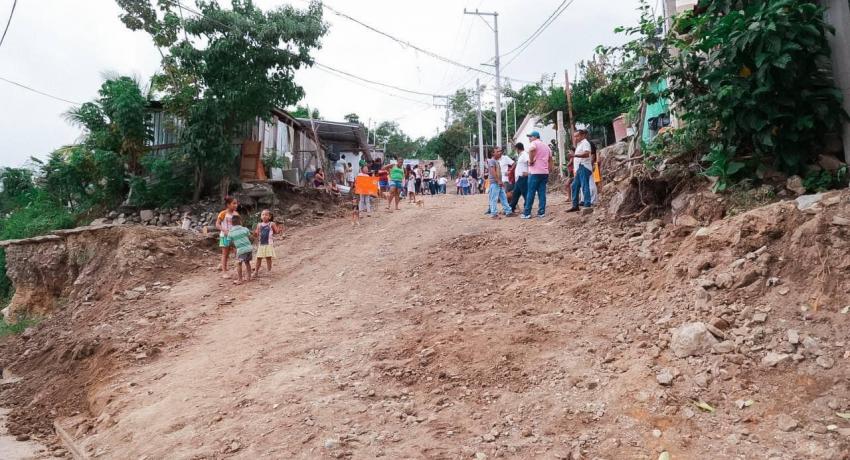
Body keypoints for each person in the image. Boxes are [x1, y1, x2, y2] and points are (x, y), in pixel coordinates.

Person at [522, 130, 552, 219]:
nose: (529, 138)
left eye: (530, 137)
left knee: (531, 192)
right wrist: (549, 170)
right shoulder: (546, 146)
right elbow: (550, 159)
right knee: (542, 193)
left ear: (535, 137)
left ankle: (527, 213)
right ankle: (541, 213)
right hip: (544, 172)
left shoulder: (534, 143)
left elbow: (531, 150)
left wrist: (531, 161)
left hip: (535, 172)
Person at [568, 129, 594, 212]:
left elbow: (586, 154)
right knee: (574, 186)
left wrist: (574, 155)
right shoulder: (580, 144)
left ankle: (587, 204)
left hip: (584, 167)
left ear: (583, 135)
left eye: (577, 136)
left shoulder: (585, 143)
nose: (575, 138)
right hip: (580, 167)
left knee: (584, 185)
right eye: (574, 136)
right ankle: (575, 205)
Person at [215, 196, 239, 277]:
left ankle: (238, 268)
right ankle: (224, 271)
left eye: (236, 203)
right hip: (225, 236)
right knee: (225, 254)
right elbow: (217, 224)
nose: (236, 205)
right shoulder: (223, 213)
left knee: (237, 252)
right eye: (234, 203)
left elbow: (239, 224)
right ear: (228, 204)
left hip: (235, 237)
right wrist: (224, 230)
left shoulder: (236, 214)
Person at [254, 209, 282, 276]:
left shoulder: (271, 224)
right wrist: (254, 234)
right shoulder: (259, 225)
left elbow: (276, 232)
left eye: (266, 215)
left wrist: (279, 229)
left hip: (269, 244)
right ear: (261, 216)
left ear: (269, 217)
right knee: (258, 258)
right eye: (263, 214)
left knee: (268, 258)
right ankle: (256, 272)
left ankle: (269, 271)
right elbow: (256, 234)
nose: (264, 216)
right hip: (261, 244)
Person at [227, 215, 253, 285]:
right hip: (249, 248)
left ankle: (240, 279)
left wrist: (234, 248)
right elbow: (250, 237)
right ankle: (249, 277)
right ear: (240, 222)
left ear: (231, 223)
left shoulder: (230, 232)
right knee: (247, 262)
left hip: (241, 250)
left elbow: (229, 242)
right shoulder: (245, 229)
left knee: (238, 263)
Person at [487, 148, 512, 219]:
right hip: (495, 182)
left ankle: (508, 211)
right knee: (494, 198)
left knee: (503, 198)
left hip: (498, 182)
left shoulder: (496, 161)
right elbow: (493, 171)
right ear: (493, 153)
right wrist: (498, 181)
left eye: (500, 151)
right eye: (497, 151)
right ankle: (494, 214)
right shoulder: (492, 161)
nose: (499, 153)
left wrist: (500, 181)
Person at [509, 142, 530, 213]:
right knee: (515, 193)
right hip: (519, 178)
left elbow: (529, 162)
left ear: (517, 148)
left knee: (525, 193)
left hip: (523, 177)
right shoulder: (521, 155)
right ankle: (511, 208)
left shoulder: (524, 154)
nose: (516, 150)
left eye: (516, 149)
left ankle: (527, 208)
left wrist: (528, 172)